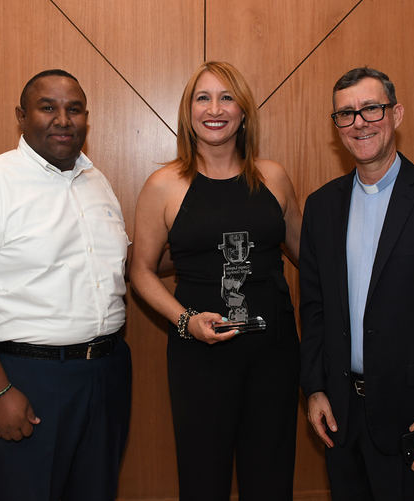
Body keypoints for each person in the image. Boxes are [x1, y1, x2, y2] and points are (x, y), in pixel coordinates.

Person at [0, 69, 131, 501]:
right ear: (21, 116)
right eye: (48, 107)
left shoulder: (98, 183)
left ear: (86, 118)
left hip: (107, 373)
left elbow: (120, 268)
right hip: (29, 379)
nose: (63, 119)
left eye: (74, 109)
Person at [299, 66, 414, 500]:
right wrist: (315, 389)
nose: (359, 122)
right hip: (340, 416)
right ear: (337, 127)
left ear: (396, 114)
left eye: (371, 108)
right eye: (345, 114)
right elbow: (314, 306)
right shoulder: (322, 206)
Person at [130, 61, 302, 500]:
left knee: (271, 477)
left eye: (227, 97)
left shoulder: (274, 177)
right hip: (200, 359)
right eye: (203, 98)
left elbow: (309, 257)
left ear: (244, 112)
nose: (215, 108)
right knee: (203, 478)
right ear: (189, 112)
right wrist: (185, 320)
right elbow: (141, 271)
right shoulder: (164, 185)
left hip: (274, 354)